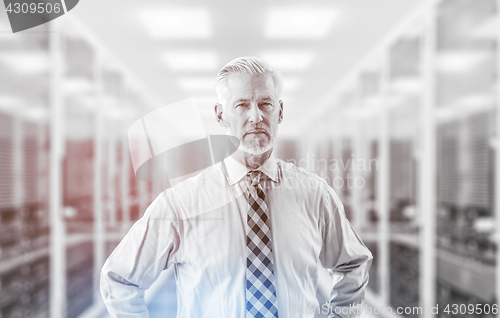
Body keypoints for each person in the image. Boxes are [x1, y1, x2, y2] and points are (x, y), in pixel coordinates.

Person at [100, 57, 372, 318]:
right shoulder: (180, 203)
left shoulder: (315, 195)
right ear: (220, 115)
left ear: (280, 112)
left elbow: (353, 263)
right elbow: (119, 279)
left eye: (266, 104)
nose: (256, 116)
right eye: (241, 105)